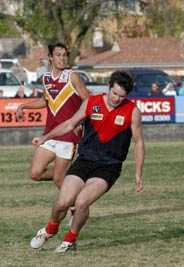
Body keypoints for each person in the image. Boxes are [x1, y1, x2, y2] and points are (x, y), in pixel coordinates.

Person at [30, 71, 145, 253]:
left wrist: (138, 173)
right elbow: (70, 124)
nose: (116, 99)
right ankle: (50, 229)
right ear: (109, 87)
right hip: (84, 161)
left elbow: (139, 143)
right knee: (63, 202)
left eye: (121, 96)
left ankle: (70, 240)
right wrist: (46, 136)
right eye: (114, 93)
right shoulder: (92, 102)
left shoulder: (133, 111)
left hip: (109, 167)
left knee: (82, 202)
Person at [16, 43, 89, 189]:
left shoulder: (72, 77)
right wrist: (23, 106)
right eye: (58, 55)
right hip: (50, 134)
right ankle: (71, 175)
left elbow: (89, 100)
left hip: (69, 135)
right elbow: (47, 100)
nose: (62, 58)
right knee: (35, 173)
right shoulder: (46, 78)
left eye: (65, 55)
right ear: (50, 58)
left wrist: (80, 120)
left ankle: (77, 205)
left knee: (58, 180)